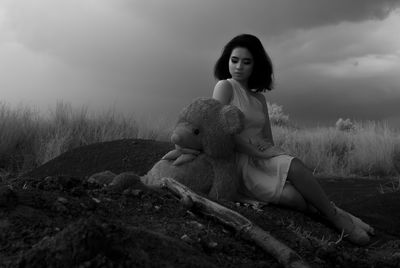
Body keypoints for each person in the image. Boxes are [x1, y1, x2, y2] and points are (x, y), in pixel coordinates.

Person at [211, 34, 374, 245]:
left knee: (295, 166)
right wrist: (256, 151)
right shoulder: (225, 86)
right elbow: (217, 131)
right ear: (227, 60)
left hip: (261, 157)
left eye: (246, 61)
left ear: (255, 65)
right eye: (234, 60)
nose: (239, 66)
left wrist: (272, 151)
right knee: (293, 198)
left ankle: (338, 219)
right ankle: (337, 212)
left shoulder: (259, 98)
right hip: (239, 161)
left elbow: (267, 138)